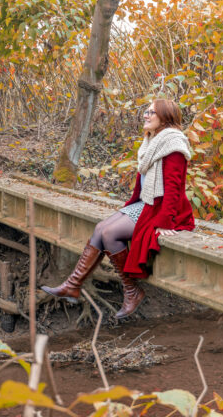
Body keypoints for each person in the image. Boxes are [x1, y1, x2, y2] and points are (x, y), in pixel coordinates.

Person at [41, 99, 195, 318]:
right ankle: (73, 286)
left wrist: (165, 223)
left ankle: (131, 291)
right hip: (146, 204)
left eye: (152, 112)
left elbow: (174, 189)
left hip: (162, 210)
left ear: (165, 117)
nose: (146, 115)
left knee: (109, 233)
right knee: (101, 228)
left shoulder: (173, 145)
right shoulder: (152, 141)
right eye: (146, 111)